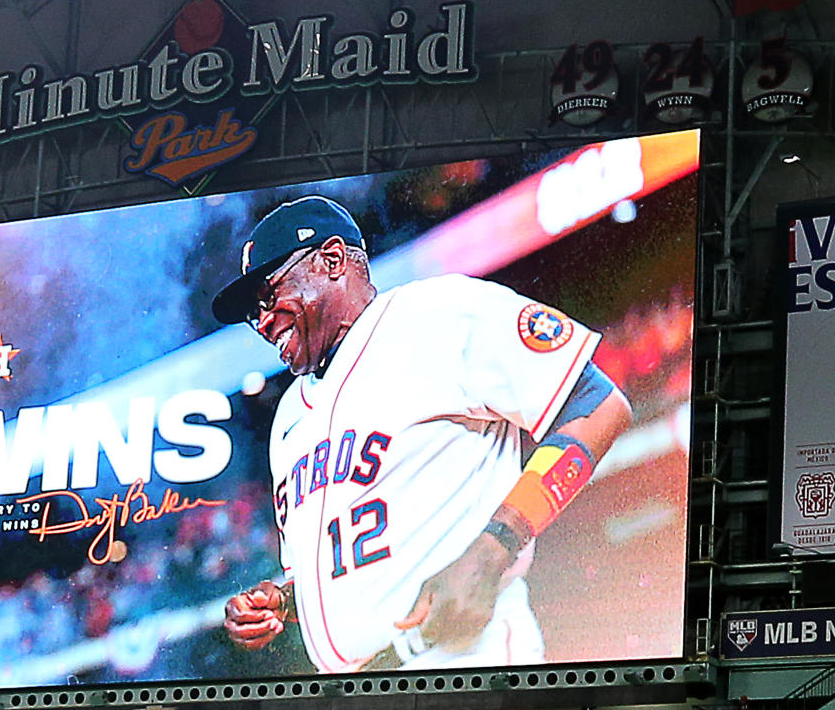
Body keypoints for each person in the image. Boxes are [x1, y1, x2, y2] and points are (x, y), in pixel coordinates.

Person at [214, 196, 631, 672]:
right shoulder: (289, 415)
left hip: (470, 662)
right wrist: (285, 601)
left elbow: (598, 405)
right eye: (254, 313)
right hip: (358, 696)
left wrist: (495, 547)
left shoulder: (439, 313)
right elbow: (354, 559)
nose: (263, 322)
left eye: (269, 296)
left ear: (331, 261)